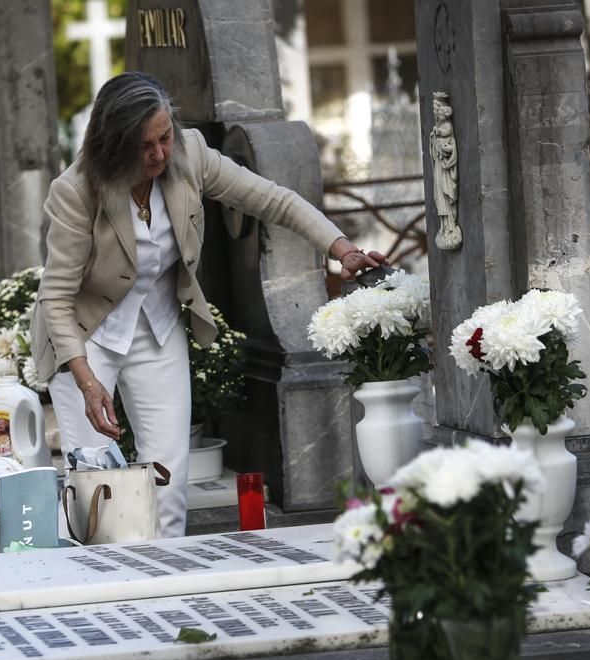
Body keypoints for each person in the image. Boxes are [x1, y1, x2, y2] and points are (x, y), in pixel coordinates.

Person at [31, 72, 385, 539]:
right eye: (144, 145)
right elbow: (56, 297)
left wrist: (341, 249)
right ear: (114, 144)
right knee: (95, 483)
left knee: (169, 480)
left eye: (164, 137)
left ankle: (169, 576)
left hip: (157, 328)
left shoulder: (190, 153)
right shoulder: (75, 190)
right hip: (85, 336)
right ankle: (97, 576)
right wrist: (87, 381)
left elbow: (273, 200)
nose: (160, 154)